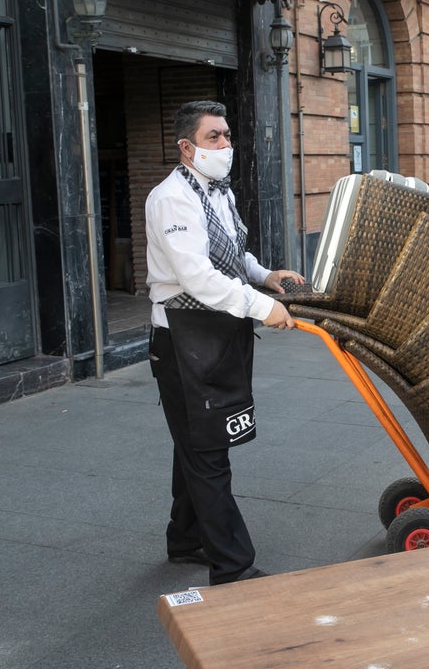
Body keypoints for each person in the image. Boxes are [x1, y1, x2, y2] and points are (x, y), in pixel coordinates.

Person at [146, 100, 305, 585]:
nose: (226, 145)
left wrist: (264, 275)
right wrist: (263, 307)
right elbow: (196, 276)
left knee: (196, 441)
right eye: (214, 137)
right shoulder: (172, 198)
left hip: (218, 332)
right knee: (208, 453)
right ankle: (233, 568)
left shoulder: (217, 192)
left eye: (228, 136)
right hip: (184, 339)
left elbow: (232, 253)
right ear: (186, 147)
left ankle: (185, 538)